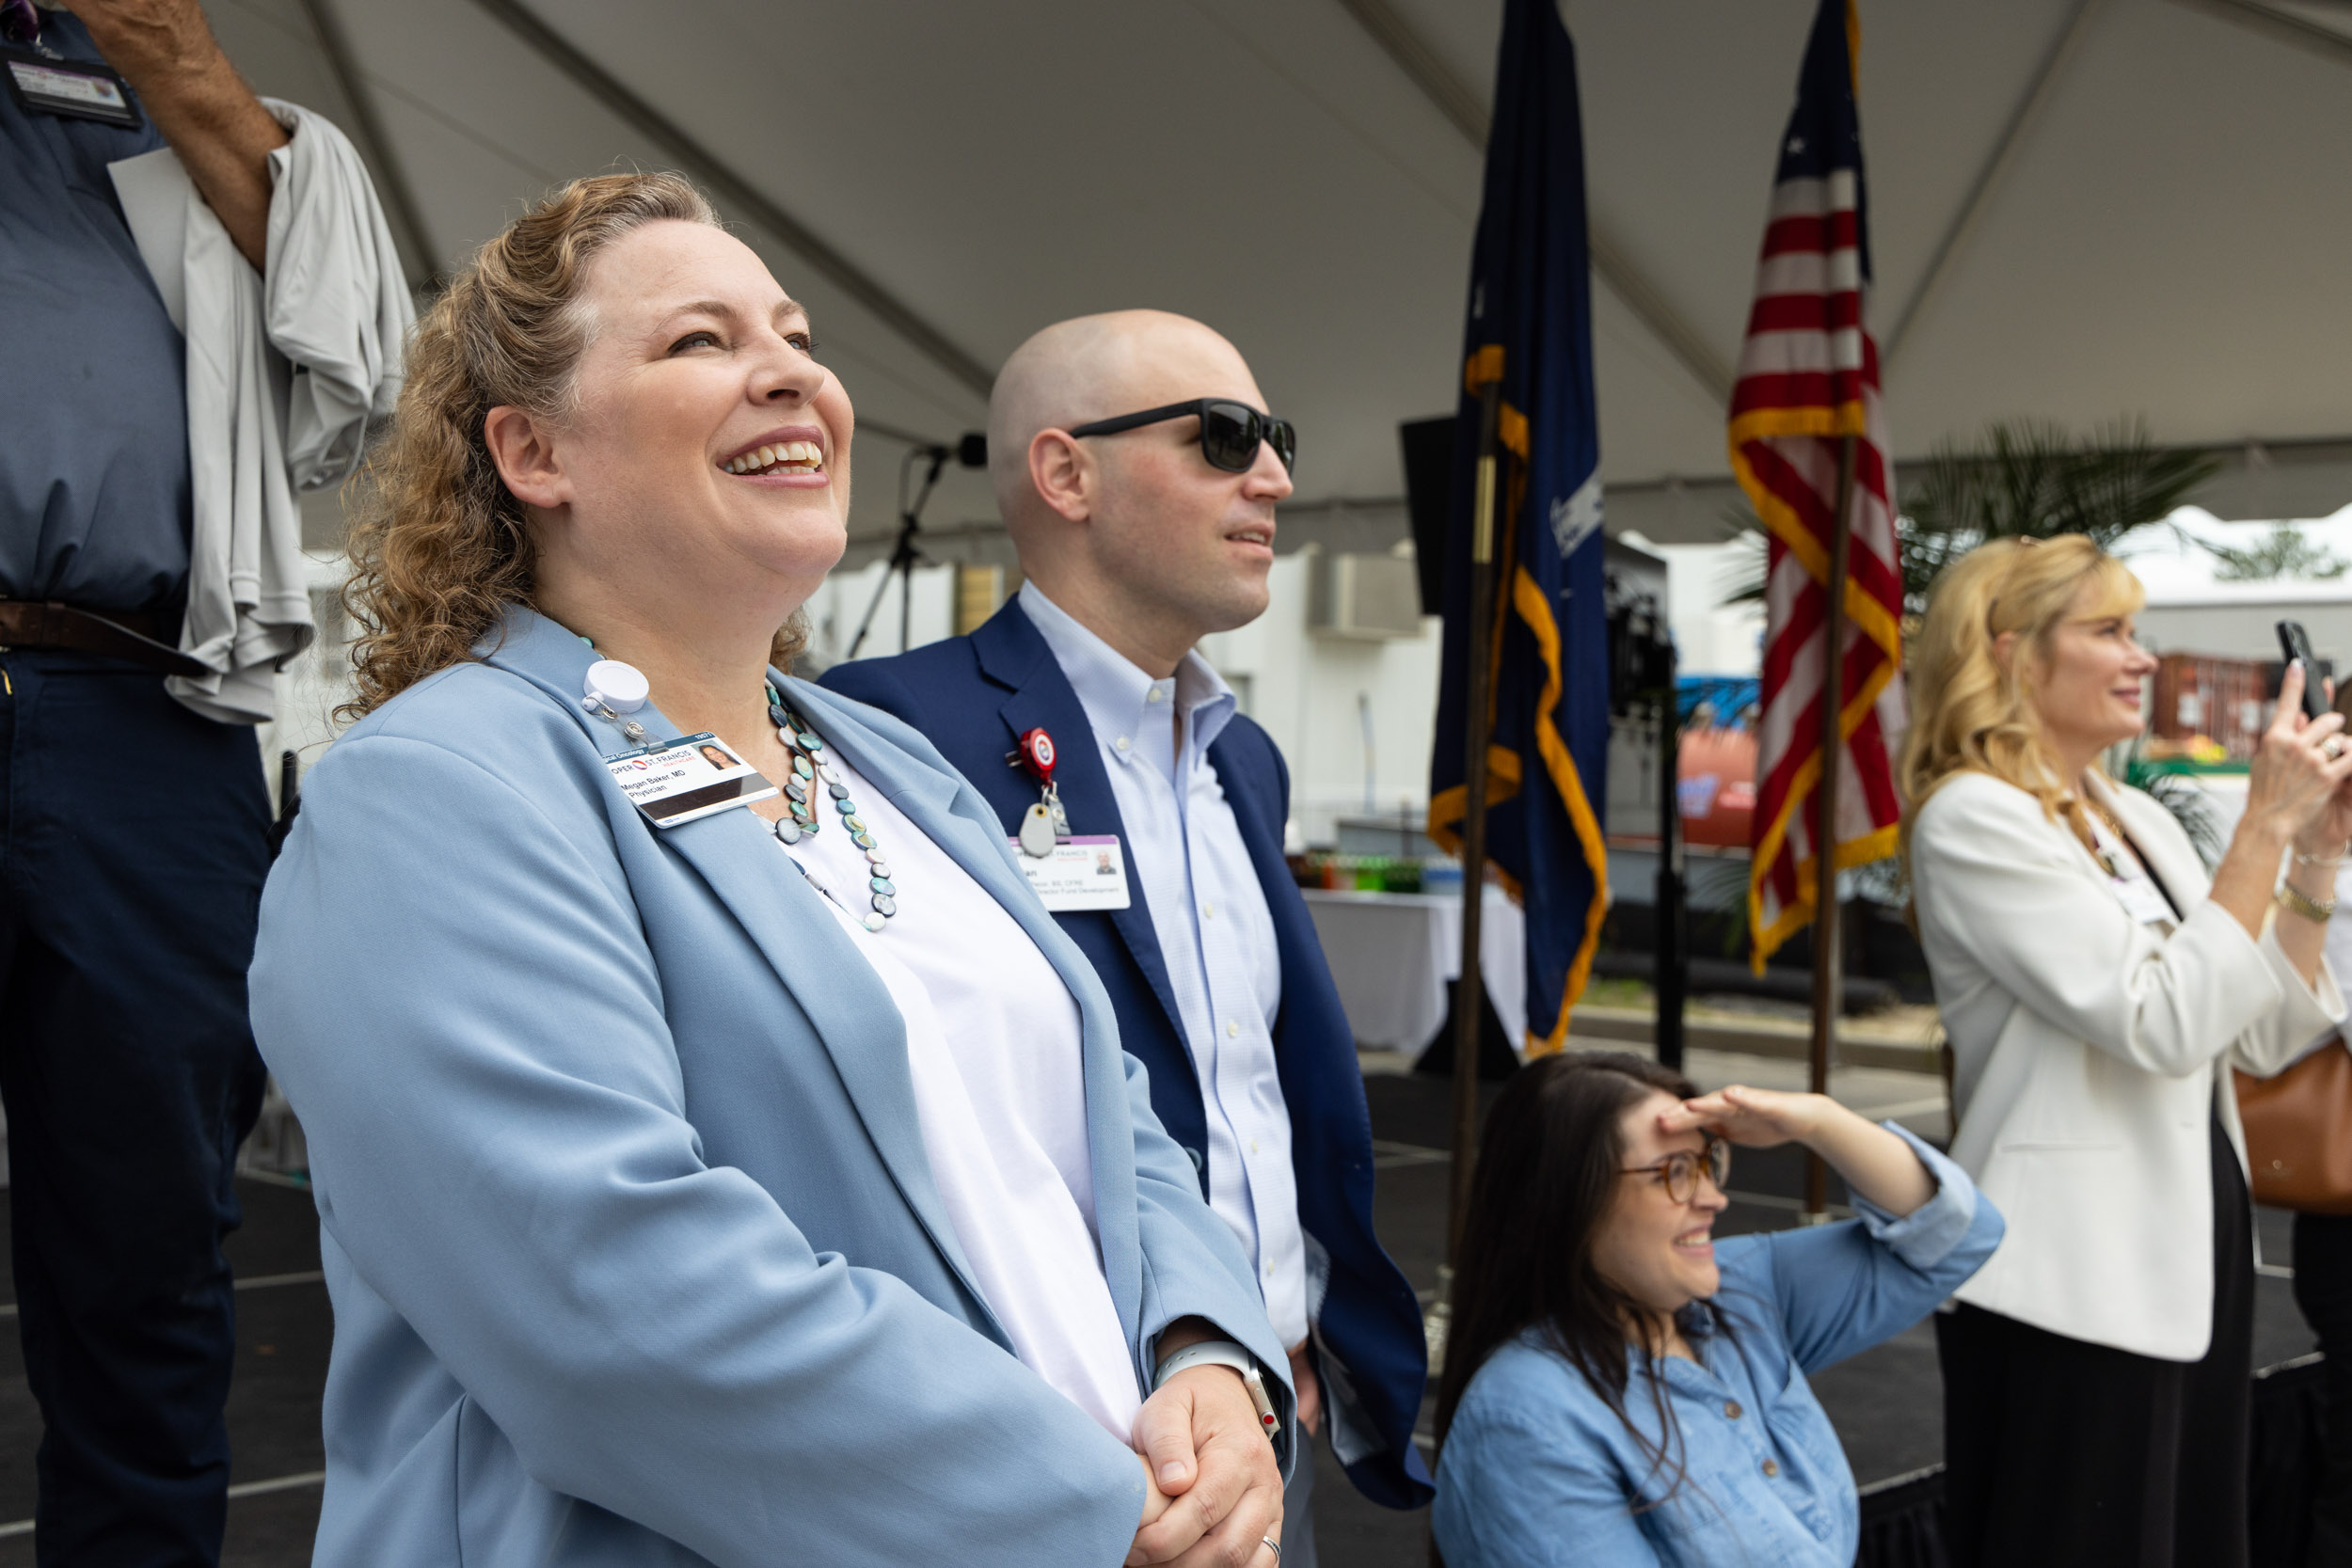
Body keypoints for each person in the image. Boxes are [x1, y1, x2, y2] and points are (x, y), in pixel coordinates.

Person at [248, 174, 1293, 1567]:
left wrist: (1207, 1353)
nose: (793, 372)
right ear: (533, 451)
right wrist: (1106, 1518)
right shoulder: (435, 787)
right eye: (702, 340)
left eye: (798, 336)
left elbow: (1114, 1117)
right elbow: (615, 1302)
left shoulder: (888, 760)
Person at [823, 309, 1435, 1554]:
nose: (1275, 476)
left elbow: (1259, 1091)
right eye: (1225, 436)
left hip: (1270, 1410)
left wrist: (1286, 1335)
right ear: (1065, 473)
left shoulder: (1242, 757)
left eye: (1277, 438)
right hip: (1073, 1437)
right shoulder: (891, 728)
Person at [0, 0, 406, 1557]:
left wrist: (162, 50)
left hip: (144, 707)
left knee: (154, 1243)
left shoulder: (167, 80)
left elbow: (356, 352)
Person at [1902, 534, 2351, 1567]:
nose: (2142, 656)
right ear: (2012, 653)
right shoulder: (1974, 817)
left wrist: (2314, 853)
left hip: (2187, 1241)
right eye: (2108, 630)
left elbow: (2257, 1030)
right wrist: (2259, 828)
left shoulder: (2130, 811)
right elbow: (2164, 1022)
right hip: (2070, 1268)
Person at [1428, 1052, 2001, 1566]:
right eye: (1675, 1172)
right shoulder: (1527, 1419)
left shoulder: (1740, 1290)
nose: (1713, 1198)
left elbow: (1959, 1237)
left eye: (1708, 1163)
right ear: (1568, 1199)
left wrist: (1818, 1121)